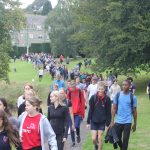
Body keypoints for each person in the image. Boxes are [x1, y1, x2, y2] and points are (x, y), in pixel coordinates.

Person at [111, 80, 137, 150]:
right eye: (123, 85)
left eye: (125, 85)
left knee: (125, 140)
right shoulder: (118, 95)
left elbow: (134, 111)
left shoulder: (133, 97)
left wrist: (135, 123)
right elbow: (114, 108)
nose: (124, 86)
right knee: (117, 138)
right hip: (118, 121)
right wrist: (112, 120)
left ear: (129, 86)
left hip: (128, 121)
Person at [87, 84, 111, 150]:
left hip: (102, 122)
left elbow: (109, 113)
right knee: (94, 139)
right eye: (99, 89)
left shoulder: (107, 99)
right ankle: (96, 146)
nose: (100, 90)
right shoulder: (93, 98)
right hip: (94, 121)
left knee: (100, 138)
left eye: (102, 89)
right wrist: (88, 122)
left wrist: (107, 124)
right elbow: (90, 110)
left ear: (104, 89)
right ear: (97, 89)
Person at [67, 80, 85, 146]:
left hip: (78, 113)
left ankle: (78, 135)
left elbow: (82, 102)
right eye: (71, 85)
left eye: (74, 84)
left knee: (77, 125)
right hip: (70, 112)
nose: (73, 86)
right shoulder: (69, 92)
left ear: (75, 84)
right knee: (71, 127)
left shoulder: (80, 91)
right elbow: (67, 103)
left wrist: (82, 113)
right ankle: (73, 142)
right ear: (70, 85)